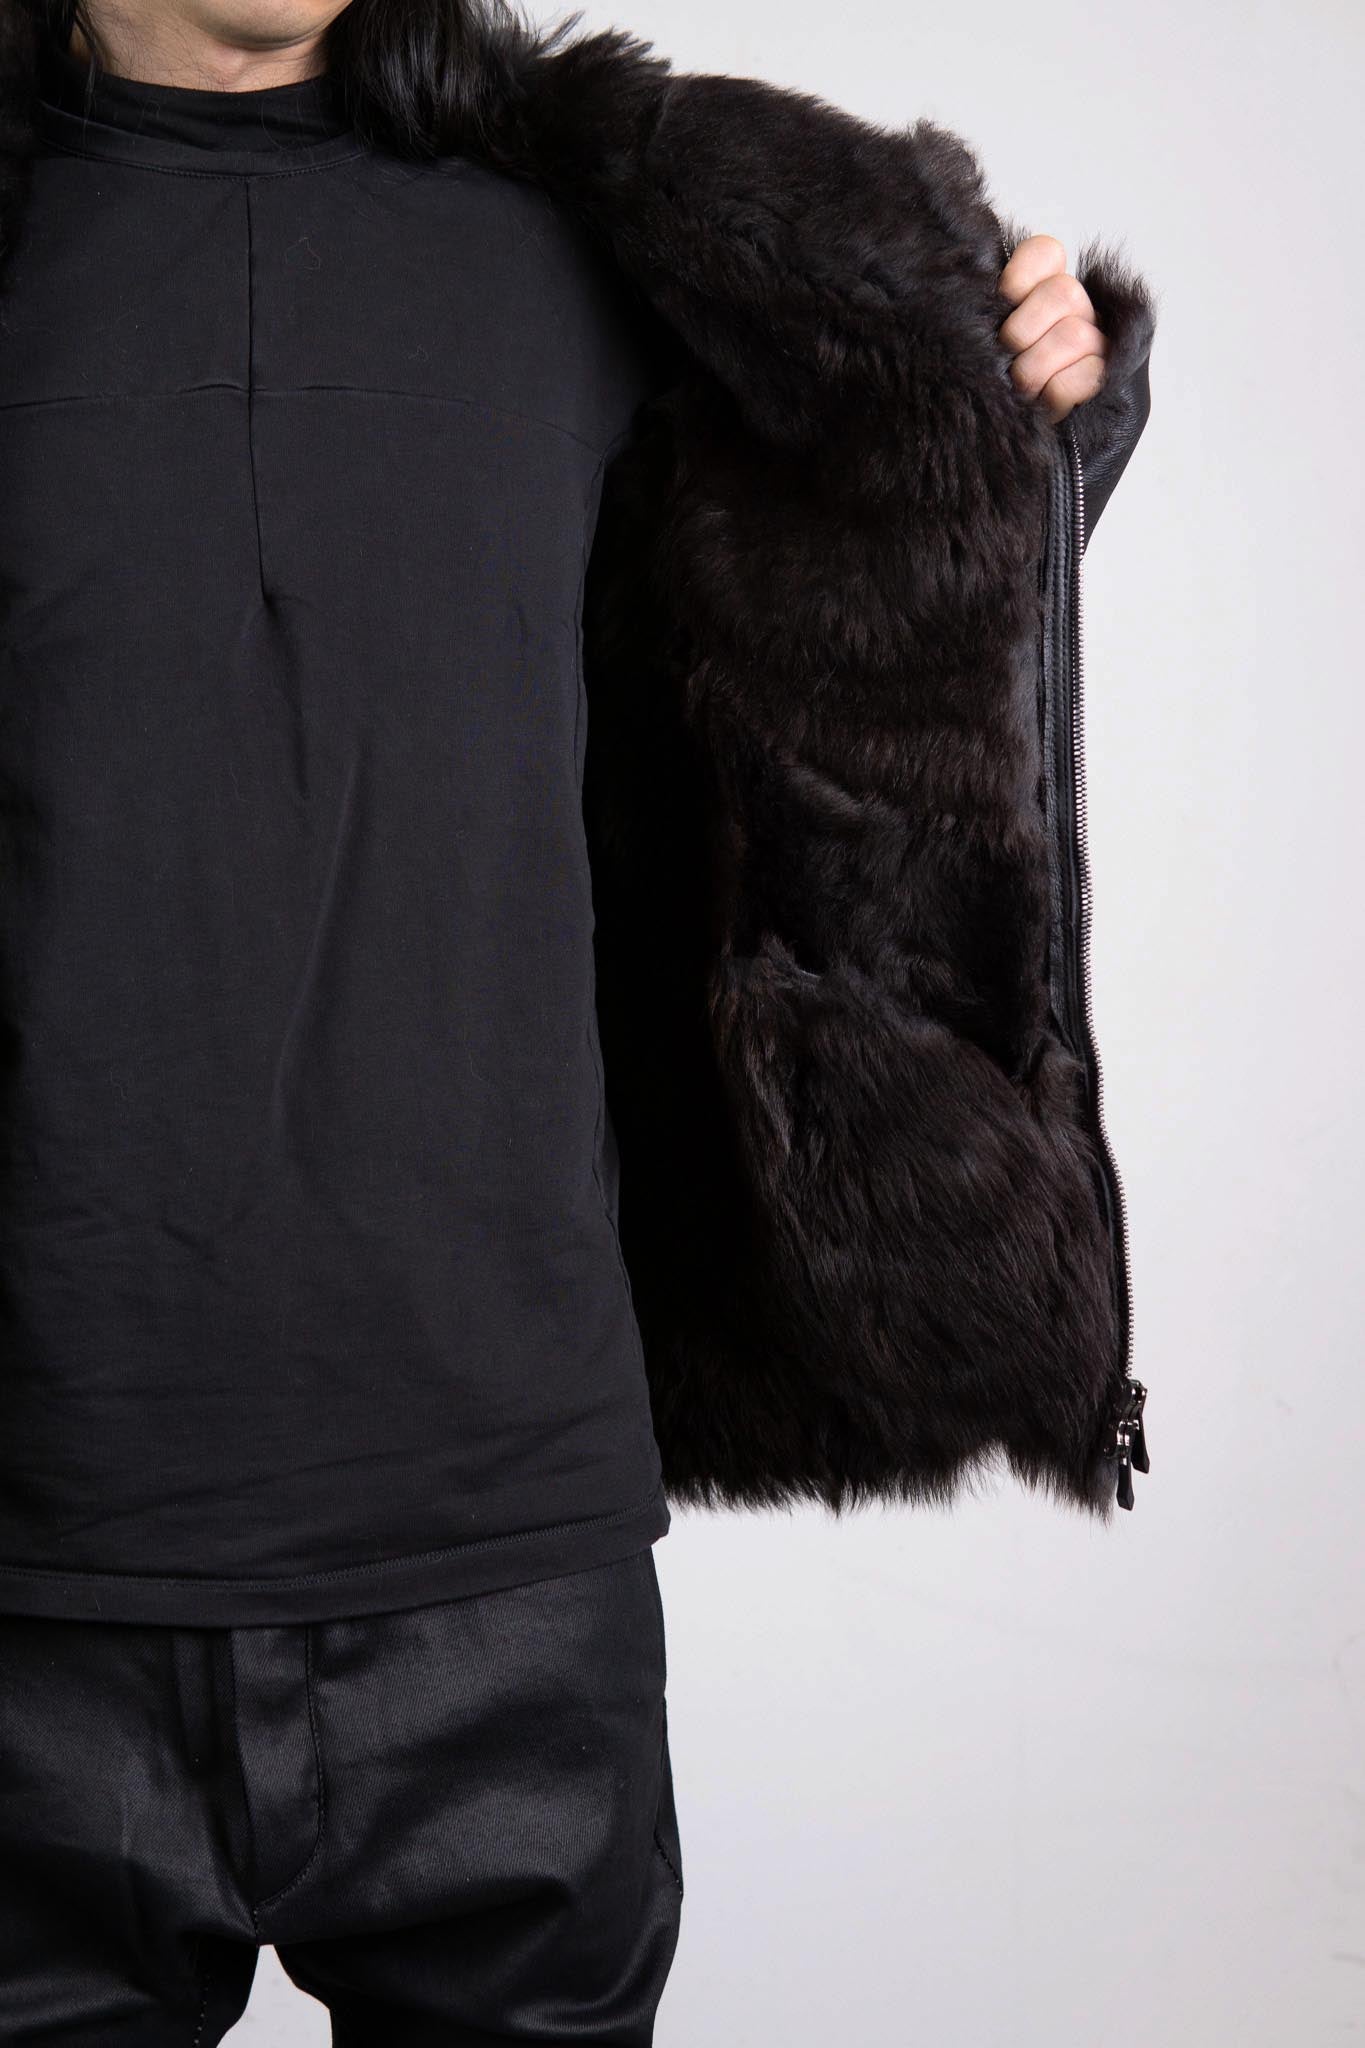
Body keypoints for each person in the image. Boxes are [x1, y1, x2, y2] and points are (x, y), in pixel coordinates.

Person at [0, 0, 1155, 2038]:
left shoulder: (592, 237)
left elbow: (846, 619)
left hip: (505, 1567)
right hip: (32, 1575)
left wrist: (1016, 412)